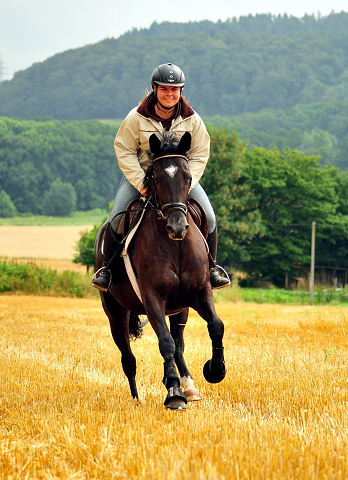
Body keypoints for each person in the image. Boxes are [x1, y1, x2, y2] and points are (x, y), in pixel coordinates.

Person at [92, 63, 230, 292]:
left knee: (211, 218)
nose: (169, 94)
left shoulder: (193, 120)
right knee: (116, 217)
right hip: (143, 179)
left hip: (179, 182)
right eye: (164, 89)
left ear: (181, 91)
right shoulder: (136, 117)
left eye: (174, 89)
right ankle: (107, 271)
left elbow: (200, 153)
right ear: (154, 89)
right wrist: (140, 183)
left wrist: (187, 183)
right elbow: (123, 149)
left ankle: (212, 270)